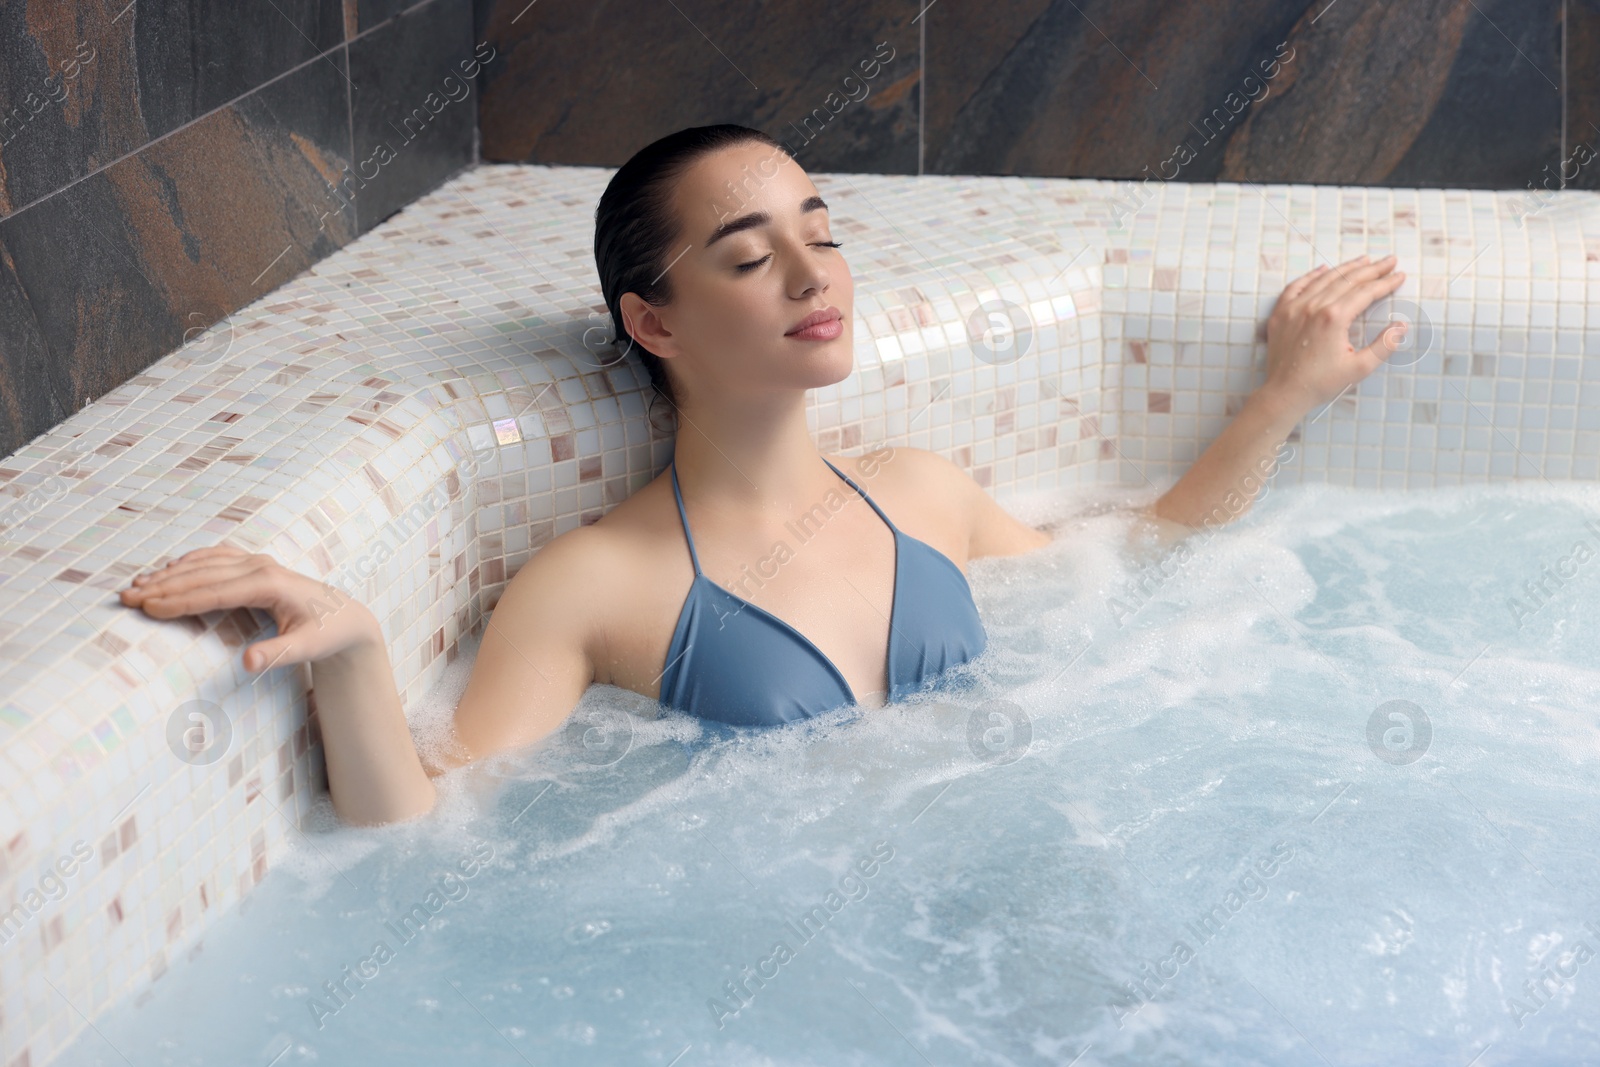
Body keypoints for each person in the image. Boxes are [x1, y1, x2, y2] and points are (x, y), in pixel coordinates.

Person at [118, 124, 1407, 827]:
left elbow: (1138, 563)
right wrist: (352, 651)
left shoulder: (916, 489)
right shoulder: (592, 584)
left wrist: (1284, 394)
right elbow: (426, 823)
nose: (814, 278)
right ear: (655, 322)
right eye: (748, 256)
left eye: (823, 235)